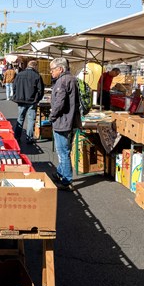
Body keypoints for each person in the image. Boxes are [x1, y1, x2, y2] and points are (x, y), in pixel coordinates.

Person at [49, 57, 82, 191]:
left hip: (63, 121)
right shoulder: (72, 79)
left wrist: (52, 116)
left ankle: (66, 180)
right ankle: (60, 173)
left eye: (52, 70)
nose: (51, 72)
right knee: (64, 150)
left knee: (63, 152)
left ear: (60, 69)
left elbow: (59, 103)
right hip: (70, 120)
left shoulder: (62, 81)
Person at [13, 60, 44, 144]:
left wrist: (16, 95)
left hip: (21, 100)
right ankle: (29, 137)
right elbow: (40, 90)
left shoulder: (19, 75)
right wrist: (38, 99)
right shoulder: (37, 76)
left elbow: (14, 87)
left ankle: (17, 137)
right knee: (31, 120)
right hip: (32, 101)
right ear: (35, 66)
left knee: (20, 118)